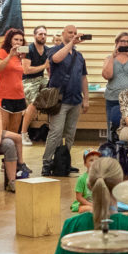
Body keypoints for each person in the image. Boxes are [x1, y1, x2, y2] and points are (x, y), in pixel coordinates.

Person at [42, 26, 89, 176]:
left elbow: (83, 78)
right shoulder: (54, 50)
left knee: (70, 134)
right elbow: (56, 59)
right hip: (59, 100)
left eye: (75, 33)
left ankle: (63, 162)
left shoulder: (79, 56)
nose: (73, 35)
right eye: (70, 33)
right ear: (63, 34)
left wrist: (86, 98)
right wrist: (71, 43)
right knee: (56, 133)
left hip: (75, 100)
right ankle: (47, 162)